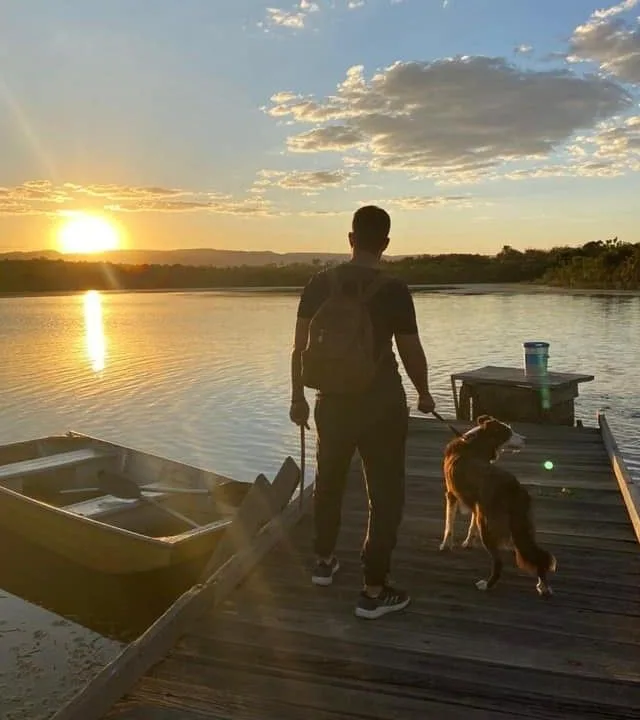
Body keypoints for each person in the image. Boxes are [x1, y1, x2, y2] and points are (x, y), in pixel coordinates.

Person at [289, 205, 436, 620]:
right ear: (386, 244)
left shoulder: (319, 283)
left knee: (330, 481)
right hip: (382, 404)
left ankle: (323, 562)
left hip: (330, 403)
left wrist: (297, 398)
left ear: (350, 239)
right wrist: (425, 393)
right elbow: (410, 351)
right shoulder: (393, 289)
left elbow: (299, 348)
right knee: (385, 493)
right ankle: (373, 590)